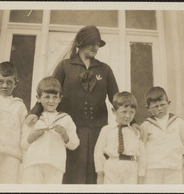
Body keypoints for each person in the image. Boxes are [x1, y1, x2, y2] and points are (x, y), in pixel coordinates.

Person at [26, 25, 120, 184]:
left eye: (98, 44)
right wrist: (35, 111)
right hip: (71, 130)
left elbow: (117, 99)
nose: (96, 47)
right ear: (81, 43)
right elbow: (49, 89)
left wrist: (133, 121)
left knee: (95, 172)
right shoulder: (65, 66)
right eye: (93, 43)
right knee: (71, 174)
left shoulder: (104, 69)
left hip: (98, 130)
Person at [20, 76, 79, 184]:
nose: (51, 101)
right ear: (38, 98)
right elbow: (23, 145)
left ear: (60, 98)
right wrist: (32, 136)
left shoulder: (66, 118)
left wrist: (65, 136)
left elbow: (74, 144)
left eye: (55, 97)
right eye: (47, 97)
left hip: (56, 165)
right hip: (33, 163)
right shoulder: (33, 119)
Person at [141, 86, 184, 184]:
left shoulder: (178, 122)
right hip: (152, 168)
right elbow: (141, 146)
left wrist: (182, 154)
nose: (160, 109)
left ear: (168, 103)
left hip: (173, 167)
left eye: (162, 105)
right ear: (148, 108)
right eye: (155, 106)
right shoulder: (146, 125)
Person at [94, 92, 146, 184]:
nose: (128, 116)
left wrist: (141, 177)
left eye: (131, 112)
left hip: (131, 167)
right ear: (114, 111)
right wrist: (100, 173)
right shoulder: (106, 130)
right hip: (112, 165)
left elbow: (142, 157)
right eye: (124, 111)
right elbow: (98, 153)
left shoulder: (136, 132)